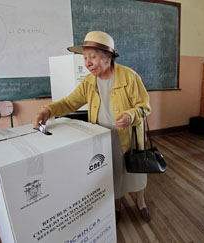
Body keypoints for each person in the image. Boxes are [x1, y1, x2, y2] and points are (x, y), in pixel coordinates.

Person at [33, 31, 152, 223]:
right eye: (85, 57)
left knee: (135, 172)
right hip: (103, 138)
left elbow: (144, 107)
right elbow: (70, 102)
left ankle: (141, 202)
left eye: (93, 57)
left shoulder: (129, 77)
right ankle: (117, 204)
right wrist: (48, 110)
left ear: (108, 57)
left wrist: (130, 115)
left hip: (128, 137)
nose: (87, 63)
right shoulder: (89, 81)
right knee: (112, 173)